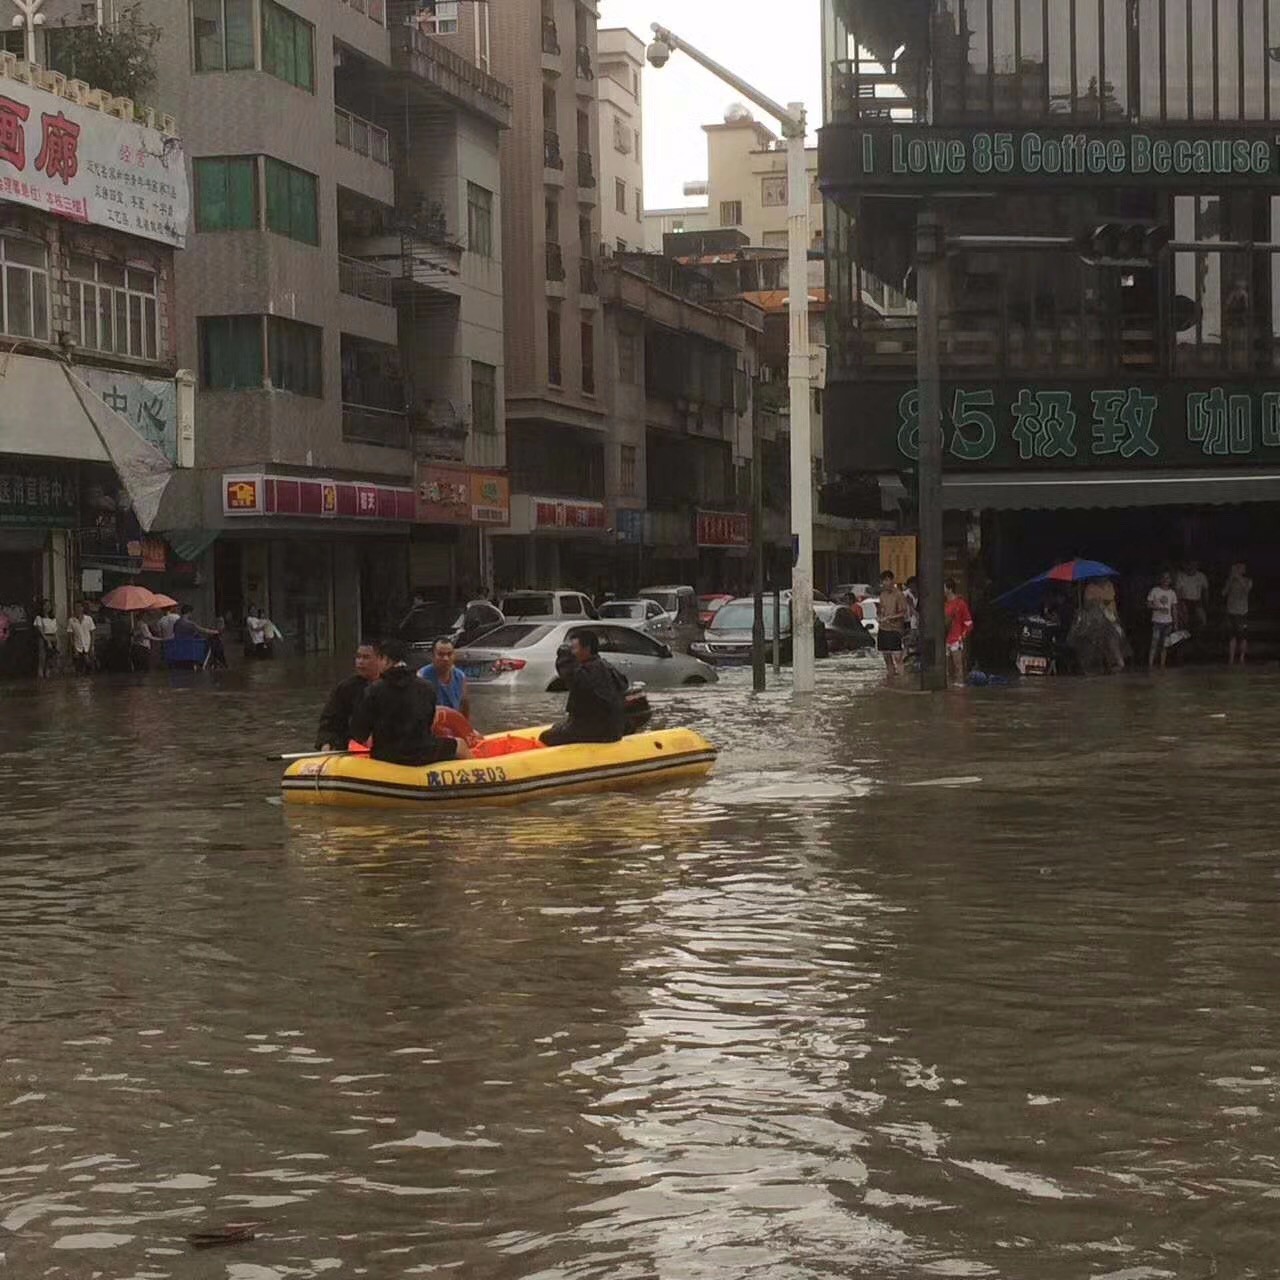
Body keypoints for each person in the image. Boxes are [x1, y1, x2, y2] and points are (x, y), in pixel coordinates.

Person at [349, 639, 472, 765]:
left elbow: (359, 731)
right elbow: (429, 724)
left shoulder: (373, 690)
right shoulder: (427, 687)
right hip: (422, 753)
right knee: (460, 745)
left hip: (385, 755)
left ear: (385, 659)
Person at [539, 630, 627, 746]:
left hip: (595, 731)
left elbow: (572, 677)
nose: (572, 653)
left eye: (574, 649)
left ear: (587, 649)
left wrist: (564, 656)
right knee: (557, 727)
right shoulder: (605, 666)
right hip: (610, 729)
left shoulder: (589, 671)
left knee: (545, 737)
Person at [315, 642, 379, 750]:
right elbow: (329, 721)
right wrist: (326, 741)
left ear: (380, 660)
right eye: (358, 657)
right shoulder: (345, 688)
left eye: (366, 657)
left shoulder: (391, 687)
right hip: (351, 746)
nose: (360, 662)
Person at [418, 637, 471, 718]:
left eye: (449, 654)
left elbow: (464, 705)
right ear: (433, 656)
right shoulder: (422, 677)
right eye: (441, 654)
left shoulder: (460, 676)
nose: (446, 659)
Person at [876, 570, 908, 677]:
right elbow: (880, 610)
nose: (885, 583)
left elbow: (903, 612)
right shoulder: (882, 595)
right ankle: (891, 678)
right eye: (883, 581)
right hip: (883, 628)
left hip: (895, 629)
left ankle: (902, 680)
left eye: (887, 580)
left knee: (897, 657)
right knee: (886, 657)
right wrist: (879, 616)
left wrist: (890, 617)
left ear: (892, 580)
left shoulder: (899, 595)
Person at [944, 579, 974, 686]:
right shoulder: (944, 604)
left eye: (944, 587)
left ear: (949, 589)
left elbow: (969, 623)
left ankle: (960, 686)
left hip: (956, 639)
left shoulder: (960, 604)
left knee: (958, 664)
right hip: (945, 639)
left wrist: (962, 635)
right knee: (947, 667)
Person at [1146, 571, 1178, 669]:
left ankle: (1162, 664)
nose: (1165, 580)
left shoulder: (1172, 593)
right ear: (1160, 579)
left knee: (1165, 645)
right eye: (1164, 578)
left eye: (1168, 578)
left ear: (1170, 580)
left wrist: (1176, 623)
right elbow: (1148, 604)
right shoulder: (1155, 590)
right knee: (1154, 643)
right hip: (1157, 621)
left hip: (1168, 622)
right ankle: (1150, 664)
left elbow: (1174, 609)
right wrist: (1159, 608)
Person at [1224, 562, 1253, 665]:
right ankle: (1231, 659)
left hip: (1242, 612)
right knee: (1232, 636)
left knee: (1243, 636)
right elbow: (1224, 593)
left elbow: (1246, 590)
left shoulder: (1247, 580)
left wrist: (1238, 578)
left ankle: (1242, 658)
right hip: (1231, 611)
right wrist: (1231, 579)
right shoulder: (1230, 580)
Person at [1174, 559, 1209, 637]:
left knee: (1202, 621)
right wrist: (1179, 606)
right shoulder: (1181, 576)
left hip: (1197, 602)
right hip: (1184, 601)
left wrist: (1206, 604)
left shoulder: (1201, 576)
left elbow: (1205, 591)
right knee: (1184, 622)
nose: (1191, 567)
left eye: (1194, 565)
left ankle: (1198, 638)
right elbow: (1177, 592)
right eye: (1189, 564)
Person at [66, 601, 96, 675]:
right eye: (76, 607)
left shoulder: (88, 619)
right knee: (78, 669)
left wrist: (92, 646)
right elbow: (70, 635)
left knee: (89, 667)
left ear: (82, 608)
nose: (78, 609)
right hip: (77, 647)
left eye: (79, 607)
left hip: (87, 645)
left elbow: (92, 633)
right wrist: (73, 648)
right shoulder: (71, 620)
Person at [33, 599, 58, 678]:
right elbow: (40, 630)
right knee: (42, 657)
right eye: (45, 605)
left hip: (52, 637)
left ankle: (48, 672)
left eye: (48, 605)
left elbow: (55, 629)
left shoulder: (53, 618)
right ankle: (40, 673)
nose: (47, 607)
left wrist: (55, 639)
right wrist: (47, 640)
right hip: (43, 637)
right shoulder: (39, 618)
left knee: (50, 657)